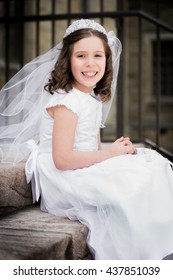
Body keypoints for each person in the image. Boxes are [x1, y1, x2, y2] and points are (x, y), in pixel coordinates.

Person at [0, 19, 173, 260]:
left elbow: (91, 146)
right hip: (62, 175)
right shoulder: (66, 102)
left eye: (98, 56)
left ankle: (156, 248)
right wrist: (110, 154)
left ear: (106, 61)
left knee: (153, 165)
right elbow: (62, 159)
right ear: (67, 60)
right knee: (130, 184)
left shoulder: (91, 98)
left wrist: (117, 154)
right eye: (81, 56)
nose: (90, 63)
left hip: (82, 165)